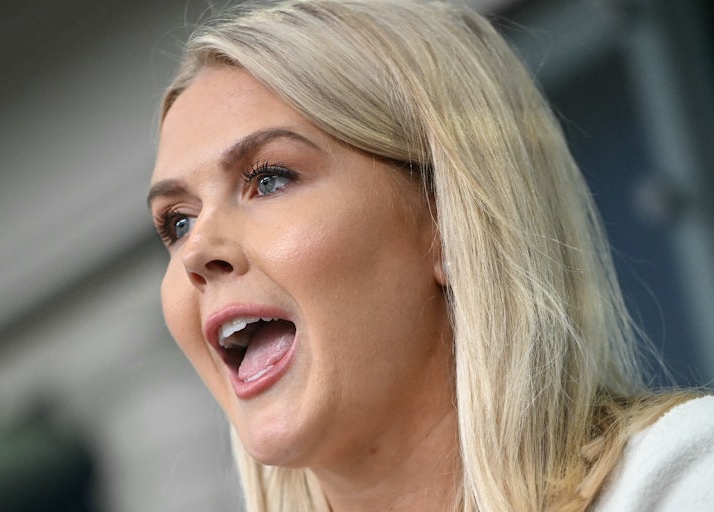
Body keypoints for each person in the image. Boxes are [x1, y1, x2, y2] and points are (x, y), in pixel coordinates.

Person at [147, 1, 713, 510]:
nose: (196, 249)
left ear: (446, 217)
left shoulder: (681, 483)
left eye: (268, 179)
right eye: (178, 221)